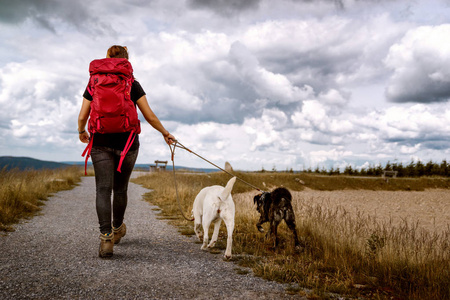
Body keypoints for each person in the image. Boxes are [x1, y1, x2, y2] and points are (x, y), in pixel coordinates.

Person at [77, 45, 175, 258]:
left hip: (100, 142)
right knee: (120, 189)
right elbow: (148, 115)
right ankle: (117, 228)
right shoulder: (131, 82)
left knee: (103, 189)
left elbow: (83, 114)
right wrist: (165, 133)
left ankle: (105, 239)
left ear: (107, 59)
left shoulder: (94, 81)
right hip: (128, 144)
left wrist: (81, 130)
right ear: (126, 60)